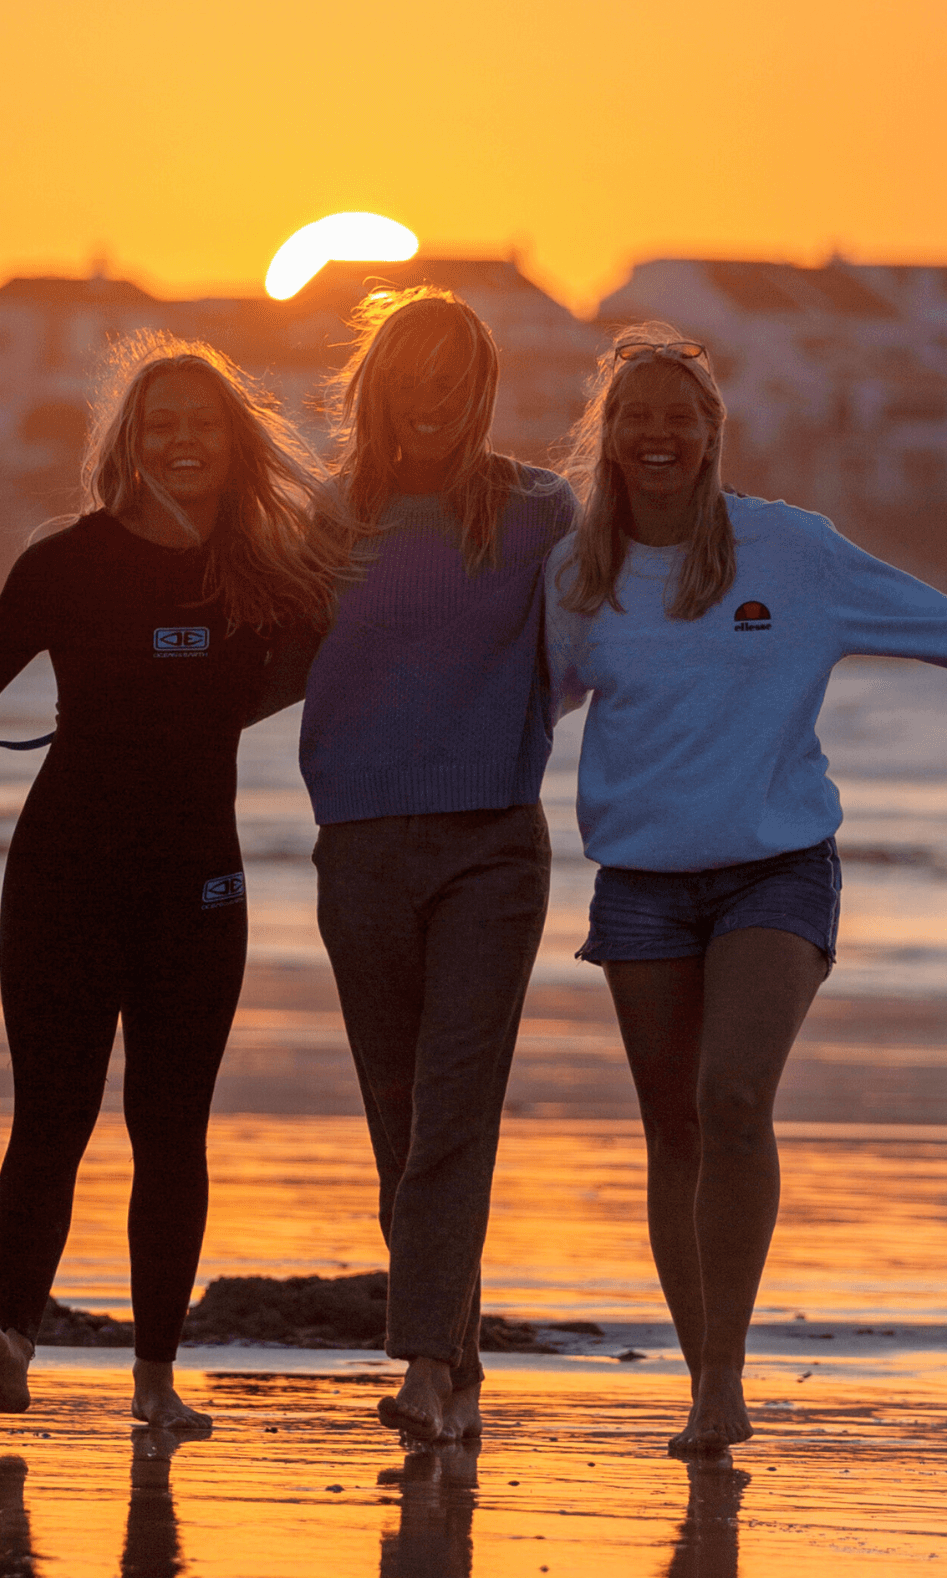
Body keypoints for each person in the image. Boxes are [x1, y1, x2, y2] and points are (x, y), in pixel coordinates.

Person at [544, 326, 947, 1455]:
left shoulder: (793, 553)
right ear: (610, 432)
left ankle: (723, 1378)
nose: (657, 434)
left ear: (712, 431)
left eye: (679, 415)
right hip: (640, 885)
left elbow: (942, 626)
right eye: (636, 416)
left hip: (776, 868)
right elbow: (508, 705)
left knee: (734, 1098)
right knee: (674, 1131)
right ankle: (704, 1378)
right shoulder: (578, 572)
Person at [0, 335, 336, 1429]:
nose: (181, 440)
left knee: (172, 1131)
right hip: (63, 875)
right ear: (127, 441)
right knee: (52, 1115)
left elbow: (338, 657)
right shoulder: (65, 563)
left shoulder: (265, 574)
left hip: (198, 887)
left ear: (234, 443)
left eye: (201, 423)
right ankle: (14, 1338)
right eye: (161, 423)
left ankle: (156, 1382)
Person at [298, 286, 581, 1443]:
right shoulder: (331, 517)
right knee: (397, 1111)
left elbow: (596, 647)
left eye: (454, 379)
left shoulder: (539, 511)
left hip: (490, 846)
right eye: (412, 375)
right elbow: (272, 658)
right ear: (378, 387)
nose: (432, 396)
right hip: (360, 843)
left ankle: (420, 1366)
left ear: (482, 393)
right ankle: (456, 1367)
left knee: (456, 1106)